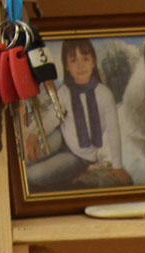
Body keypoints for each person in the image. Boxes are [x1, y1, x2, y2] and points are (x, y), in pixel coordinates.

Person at [56, 38, 124, 176]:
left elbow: (113, 131)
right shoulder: (64, 91)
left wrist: (117, 166)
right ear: (67, 66)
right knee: (29, 155)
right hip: (63, 139)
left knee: (33, 174)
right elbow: (52, 117)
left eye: (85, 59)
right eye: (74, 60)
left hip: (80, 155)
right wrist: (33, 136)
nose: (80, 66)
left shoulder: (104, 94)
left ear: (93, 61)